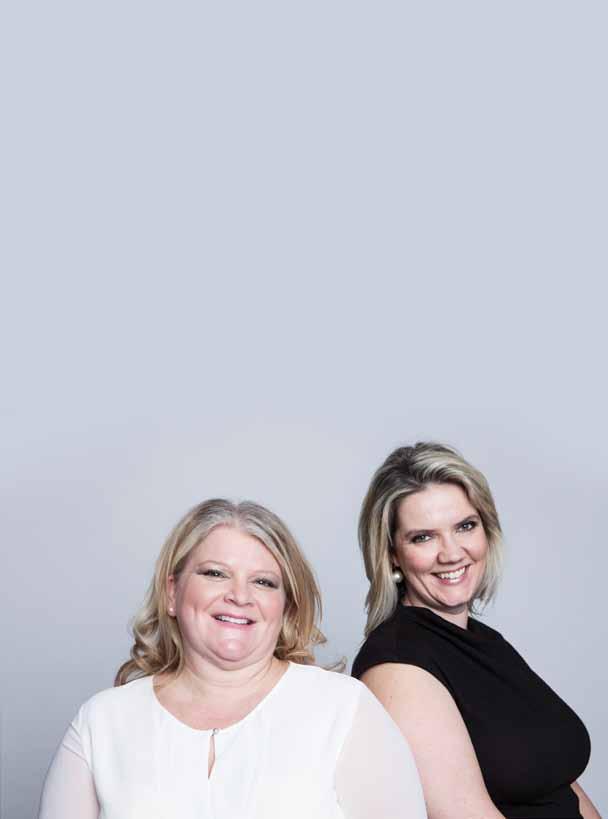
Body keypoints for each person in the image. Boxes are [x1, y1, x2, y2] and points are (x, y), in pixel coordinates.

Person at [39, 498, 426, 819]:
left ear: (286, 606)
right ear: (172, 593)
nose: (239, 596)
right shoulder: (100, 723)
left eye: (263, 582)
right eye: (215, 573)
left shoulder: (345, 709)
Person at [352, 442, 601, 819]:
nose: (452, 553)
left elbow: (558, 781)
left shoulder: (484, 641)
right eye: (423, 537)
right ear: (391, 554)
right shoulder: (398, 669)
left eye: (465, 526)